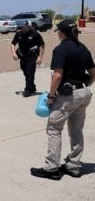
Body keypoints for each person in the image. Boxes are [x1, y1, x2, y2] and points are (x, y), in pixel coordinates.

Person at [31, 19, 95, 180]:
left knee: (54, 128)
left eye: (58, 31)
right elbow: (94, 72)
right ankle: (73, 166)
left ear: (62, 33)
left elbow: (57, 75)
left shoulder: (60, 49)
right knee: (76, 130)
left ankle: (51, 168)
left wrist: (51, 96)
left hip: (67, 96)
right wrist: (84, 86)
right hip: (84, 93)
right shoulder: (83, 48)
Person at [11, 20, 45, 97]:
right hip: (22, 56)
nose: (23, 29)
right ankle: (32, 87)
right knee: (25, 71)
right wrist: (13, 53)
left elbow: (42, 45)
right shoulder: (19, 34)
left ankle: (28, 90)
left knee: (30, 73)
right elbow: (12, 44)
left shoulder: (35, 34)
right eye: (23, 27)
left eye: (25, 27)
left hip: (32, 56)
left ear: (30, 27)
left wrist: (40, 57)